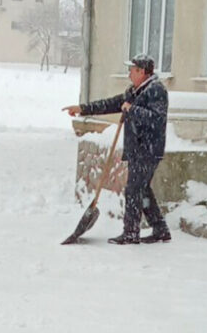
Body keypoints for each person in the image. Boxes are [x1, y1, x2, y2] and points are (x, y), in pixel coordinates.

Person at [63, 54, 169, 245]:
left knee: (133, 190)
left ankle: (131, 232)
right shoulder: (135, 90)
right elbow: (112, 104)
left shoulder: (156, 91)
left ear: (143, 72)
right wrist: (82, 108)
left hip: (148, 149)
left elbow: (157, 118)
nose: (129, 73)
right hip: (137, 148)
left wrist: (132, 110)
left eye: (133, 70)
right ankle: (160, 229)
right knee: (142, 189)